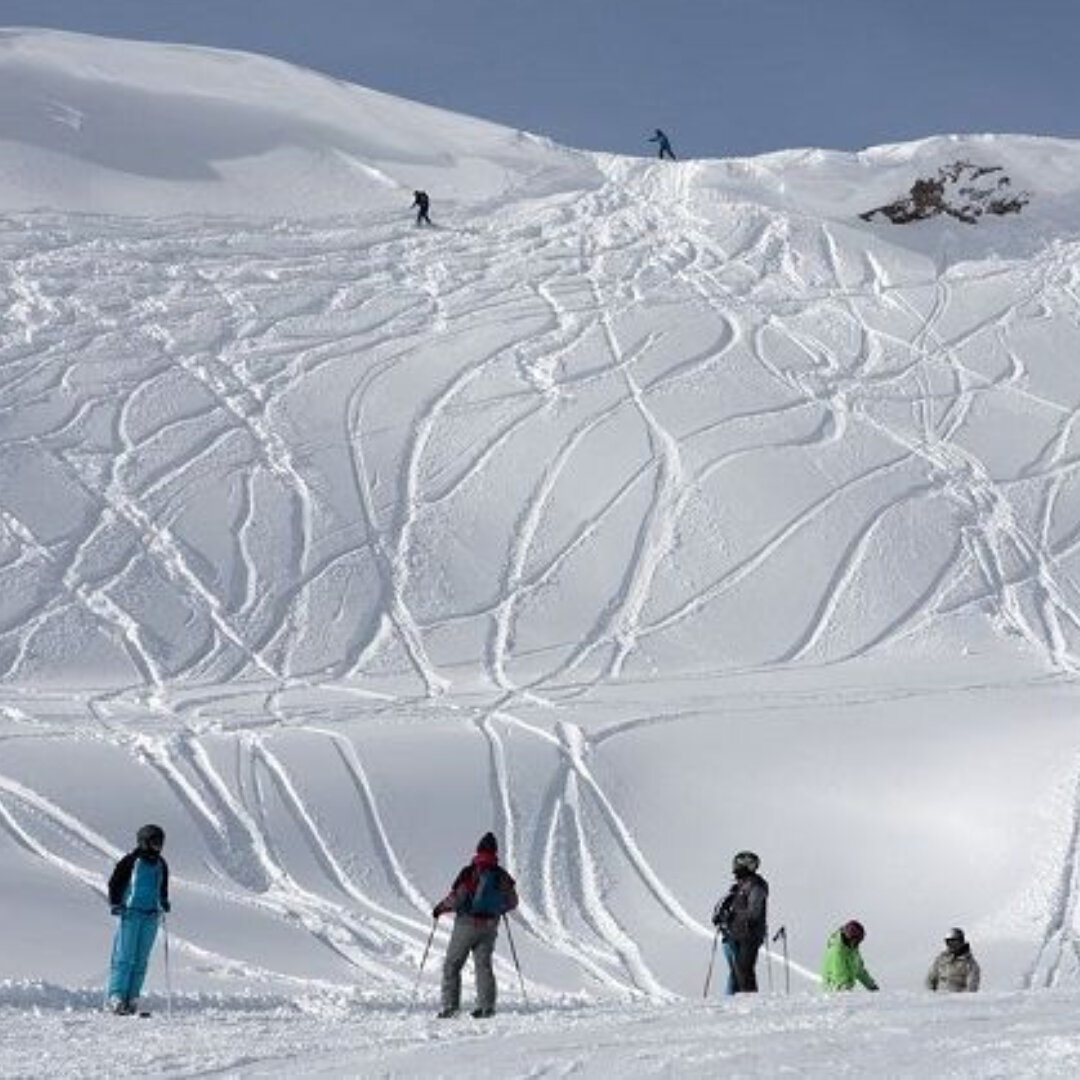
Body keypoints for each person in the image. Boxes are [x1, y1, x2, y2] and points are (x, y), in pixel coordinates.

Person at [432, 831, 518, 1018]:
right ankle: (487, 1008)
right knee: (483, 966)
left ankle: (451, 1007)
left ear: (478, 850)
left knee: (452, 965)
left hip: (466, 925)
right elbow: (513, 902)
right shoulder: (502, 875)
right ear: (495, 852)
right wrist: (498, 908)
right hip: (490, 927)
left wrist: (439, 908)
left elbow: (458, 898)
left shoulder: (470, 871)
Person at [106, 824, 171, 1015]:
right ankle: (116, 996)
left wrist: (164, 901)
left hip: (151, 915)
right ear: (144, 841)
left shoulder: (161, 864)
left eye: (160, 843)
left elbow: (162, 886)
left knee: (141, 959)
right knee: (125, 957)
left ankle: (132, 997)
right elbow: (115, 882)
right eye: (154, 842)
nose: (158, 847)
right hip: (130, 913)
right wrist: (116, 902)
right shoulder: (131, 861)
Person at [711, 850, 768, 993]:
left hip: (750, 934)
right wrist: (723, 916)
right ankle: (737, 1004)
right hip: (737, 933)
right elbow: (730, 905)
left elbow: (754, 911)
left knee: (744, 970)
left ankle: (751, 1002)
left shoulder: (756, 885)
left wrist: (732, 915)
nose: (737, 868)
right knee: (738, 972)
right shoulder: (739, 885)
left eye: (743, 864)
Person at [821, 919, 878, 991]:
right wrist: (846, 989)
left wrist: (871, 985)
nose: (859, 943)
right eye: (858, 940)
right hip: (834, 991)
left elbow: (859, 969)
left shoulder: (852, 949)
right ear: (851, 937)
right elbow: (840, 975)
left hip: (845, 989)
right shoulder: (838, 951)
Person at [926, 928, 980, 992]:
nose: (951, 945)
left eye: (954, 942)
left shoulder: (969, 963)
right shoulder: (941, 959)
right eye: (948, 942)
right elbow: (931, 979)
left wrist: (963, 999)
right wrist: (932, 994)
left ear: (961, 942)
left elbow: (972, 987)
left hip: (957, 999)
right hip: (939, 998)